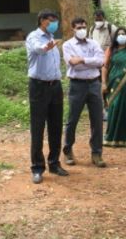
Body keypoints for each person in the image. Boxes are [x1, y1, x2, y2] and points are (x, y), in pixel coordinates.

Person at [26, 9, 68, 184]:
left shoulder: (51, 38)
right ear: (42, 21)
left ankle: (54, 162)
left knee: (56, 125)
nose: (54, 24)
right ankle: (37, 167)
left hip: (55, 86)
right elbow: (38, 50)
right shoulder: (34, 37)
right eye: (52, 21)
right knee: (38, 127)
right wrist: (46, 47)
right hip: (39, 86)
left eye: (56, 21)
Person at [62, 17, 106, 167]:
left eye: (83, 26)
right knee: (72, 119)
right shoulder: (67, 45)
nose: (82, 29)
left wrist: (82, 60)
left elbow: (101, 61)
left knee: (97, 120)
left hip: (94, 84)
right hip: (77, 85)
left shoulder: (94, 43)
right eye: (78, 27)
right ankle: (67, 150)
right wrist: (89, 61)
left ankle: (97, 153)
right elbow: (73, 63)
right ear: (73, 29)